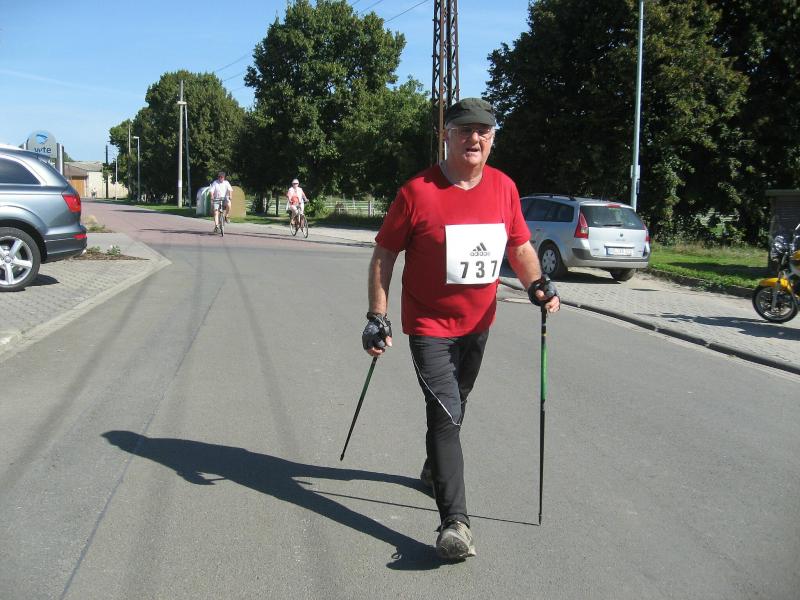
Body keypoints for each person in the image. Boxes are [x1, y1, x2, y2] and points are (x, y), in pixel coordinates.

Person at [362, 97, 560, 561]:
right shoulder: (417, 192)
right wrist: (377, 315)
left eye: (483, 131)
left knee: (458, 400)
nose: (474, 138)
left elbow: (519, 247)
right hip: (428, 324)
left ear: (492, 139)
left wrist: (536, 283)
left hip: (478, 323)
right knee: (446, 413)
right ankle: (456, 523)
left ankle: (434, 468)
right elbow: (385, 254)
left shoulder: (504, 188)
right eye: (464, 129)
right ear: (446, 136)